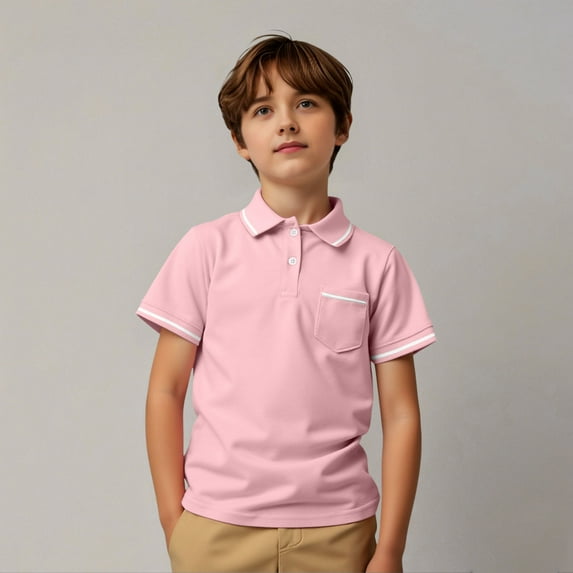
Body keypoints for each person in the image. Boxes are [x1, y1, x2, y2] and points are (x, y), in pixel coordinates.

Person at [136, 33, 436, 573]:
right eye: (263, 109)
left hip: (341, 530)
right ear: (240, 141)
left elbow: (401, 413)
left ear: (342, 126)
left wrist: (390, 549)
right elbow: (166, 389)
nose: (287, 123)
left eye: (306, 103)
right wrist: (172, 519)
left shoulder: (378, 262)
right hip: (214, 528)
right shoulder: (206, 249)